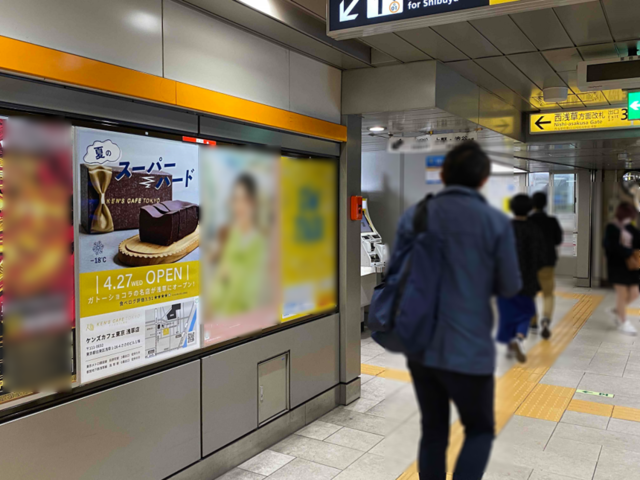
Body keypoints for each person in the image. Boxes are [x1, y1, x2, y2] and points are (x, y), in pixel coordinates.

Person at [393, 141, 521, 480]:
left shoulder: (416, 214)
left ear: (444, 174)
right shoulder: (494, 222)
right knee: (479, 429)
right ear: (483, 179)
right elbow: (510, 285)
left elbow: (397, 271)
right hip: (469, 348)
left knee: (433, 430)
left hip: (420, 343)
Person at [209, 173, 268, 317]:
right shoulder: (230, 235)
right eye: (235, 199)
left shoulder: (261, 242)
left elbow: (249, 295)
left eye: (244, 200)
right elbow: (216, 291)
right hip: (221, 322)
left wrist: (227, 274)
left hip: (248, 323)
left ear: (253, 202)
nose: (239, 206)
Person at [497, 194, 545, 363]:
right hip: (528, 278)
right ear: (530, 208)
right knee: (525, 311)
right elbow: (539, 257)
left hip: (506, 278)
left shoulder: (505, 228)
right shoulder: (534, 229)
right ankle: (519, 336)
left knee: (508, 311)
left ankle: (510, 341)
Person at [529, 192, 563, 339]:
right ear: (545, 204)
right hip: (548, 262)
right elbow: (558, 240)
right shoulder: (552, 221)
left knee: (530, 294)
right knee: (548, 294)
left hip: (530, 263)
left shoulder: (528, 221)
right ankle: (546, 320)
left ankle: (533, 323)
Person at [603, 201, 640, 335]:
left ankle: (617, 310)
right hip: (617, 266)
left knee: (635, 293)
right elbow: (609, 246)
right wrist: (627, 251)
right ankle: (623, 322)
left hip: (632, 266)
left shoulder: (631, 228)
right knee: (622, 293)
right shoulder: (612, 227)